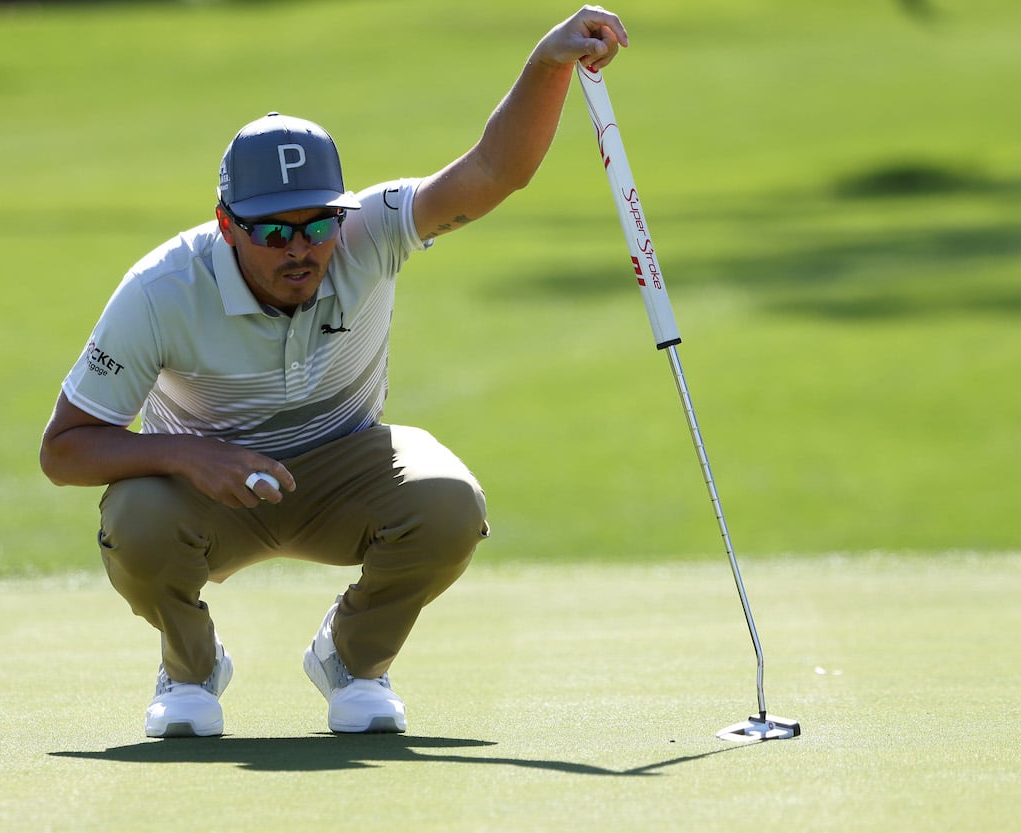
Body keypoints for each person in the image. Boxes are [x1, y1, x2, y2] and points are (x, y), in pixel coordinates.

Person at [39, 5, 628, 738]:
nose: (302, 248)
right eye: (274, 231)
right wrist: (187, 454)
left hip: (345, 462)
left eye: (318, 224)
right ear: (227, 227)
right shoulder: (162, 289)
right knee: (136, 520)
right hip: (204, 489)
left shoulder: (370, 231)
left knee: (450, 501)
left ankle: (352, 660)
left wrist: (547, 64)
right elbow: (64, 449)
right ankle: (188, 671)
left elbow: (493, 171)